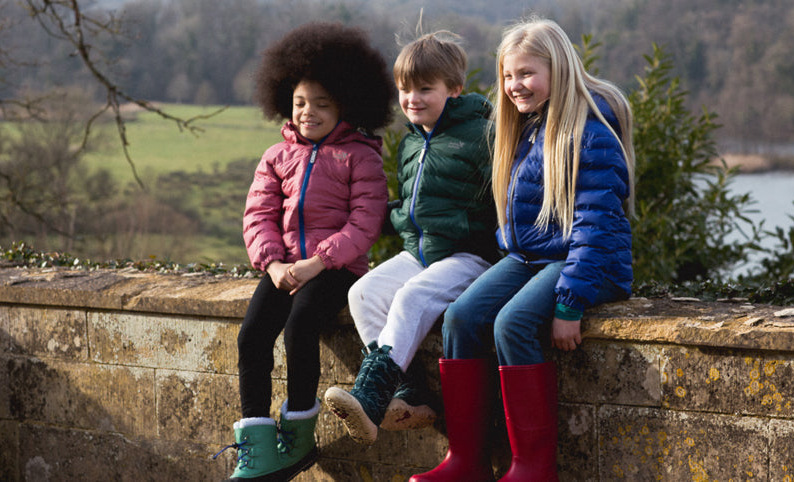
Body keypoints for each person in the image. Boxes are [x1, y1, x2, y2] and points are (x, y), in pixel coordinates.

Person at [410, 18, 635, 482]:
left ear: (560, 70)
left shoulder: (589, 133)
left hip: (587, 264)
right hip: (528, 258)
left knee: (512, 323)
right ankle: (467, 461)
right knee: (461, 317)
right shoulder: (527, 129)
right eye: (508, 76)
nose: (515, 86)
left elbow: (594, 229)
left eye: (527, 74)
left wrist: (570, 304)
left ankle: (532, 468)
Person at [217, 22, 394, 482]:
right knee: (252, 335)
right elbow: (257, 216)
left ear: (345, 107)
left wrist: (318, 262)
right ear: (284, 102)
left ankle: (297, 440)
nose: (308, 112)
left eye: (321, 104)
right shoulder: (276, 156)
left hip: (335, 270)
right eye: (299, 103)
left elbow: (365, 222)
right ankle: (256, 447)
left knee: (300, 328)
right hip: (283, 269)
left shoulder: (362, 157)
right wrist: (274, 264)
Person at [323, 30, 497, 446]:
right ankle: (410, 396)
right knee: (363, 294)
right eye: (405, 89)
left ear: (454, 89)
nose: (412, 99)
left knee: (412, 298)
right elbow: (411, 201)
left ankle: (370, 396)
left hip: (468, 255)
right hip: (419, 251)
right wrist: (387, 216)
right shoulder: (411, 141)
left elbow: (501, 200)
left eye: (425, 88)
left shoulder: (483, 136)